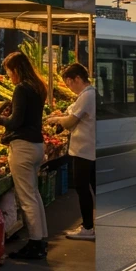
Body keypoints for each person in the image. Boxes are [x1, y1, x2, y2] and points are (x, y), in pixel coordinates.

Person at [0, 51, 49, 260]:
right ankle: (41, 238)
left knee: (27, 198)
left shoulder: (21, 89)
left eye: (9, 73)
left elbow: (15, 121)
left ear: (16, 70)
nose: (10, 77)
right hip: (37, 145)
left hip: (23, 148)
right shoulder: (38, 86)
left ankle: (35, 243)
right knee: (34, 195)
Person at [44, 63, 96, 241]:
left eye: (69, 83)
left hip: (84, 150)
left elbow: (69, 122)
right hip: (88, 149)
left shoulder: (87, 95)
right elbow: (72, 112)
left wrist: (57, 119)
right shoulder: (88, 94)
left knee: (82, 188)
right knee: (92, 187)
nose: (69, 88)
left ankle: (88, 227)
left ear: (77, 79)